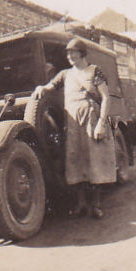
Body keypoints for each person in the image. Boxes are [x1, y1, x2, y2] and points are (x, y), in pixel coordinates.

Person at [32, 38, 117, 219]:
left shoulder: (95, 71)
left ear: (82, 53)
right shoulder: (65, 74)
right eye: (68, 53)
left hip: (91, 120)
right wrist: (41, 88)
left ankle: (95, 205)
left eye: (73, 52)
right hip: (73, 123)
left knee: (94, 161)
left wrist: (101, 123)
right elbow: (50, 86)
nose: (70, 56)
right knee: (75, 162)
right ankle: (81, 204)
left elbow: (105, 98)